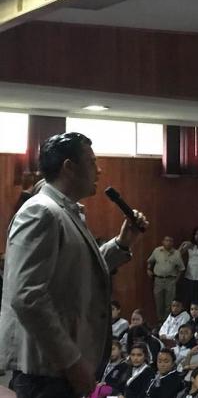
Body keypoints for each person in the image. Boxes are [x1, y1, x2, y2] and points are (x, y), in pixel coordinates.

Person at [0, 132, 148, 398]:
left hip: (56, 371)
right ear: (69, 167)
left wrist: (122, 243)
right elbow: (27, 297)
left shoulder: (63, 211)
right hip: (46, 373)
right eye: (92, 162)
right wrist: (72, 362)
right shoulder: (41, 211)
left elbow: (78, 271)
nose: (99, 170)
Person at [148, 235, 185, 323]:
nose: (168, 242)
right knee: (159, 303)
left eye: (170, 241)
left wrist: (176, 280)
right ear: (163, 242)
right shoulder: (157, 251)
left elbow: (181, 269)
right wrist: (148, 269)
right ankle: (160, 322)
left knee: (169, 304)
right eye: (166, 240)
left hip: (170, 280)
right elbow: (150, 261)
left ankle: (167, 322)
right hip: (158, 280)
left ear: (172, 243)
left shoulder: (176, 253)